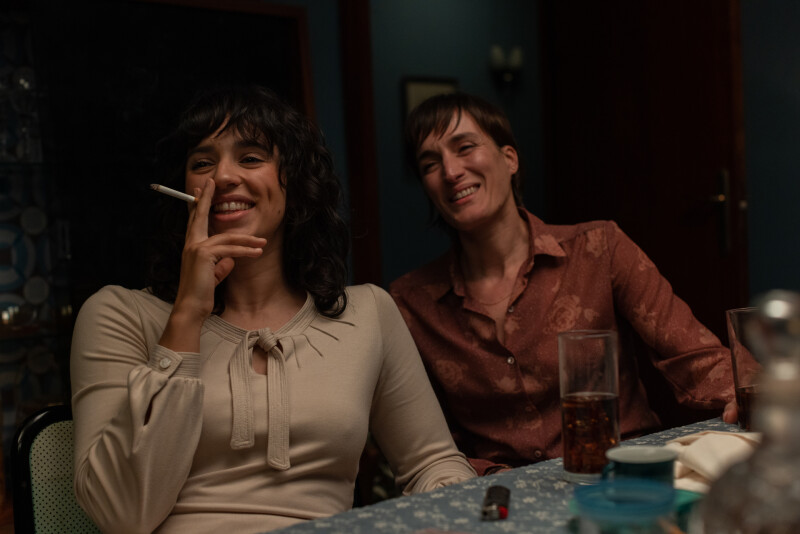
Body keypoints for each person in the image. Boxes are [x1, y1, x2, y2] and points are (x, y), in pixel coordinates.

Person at [70, 85, 475, 534]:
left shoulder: (370, 313)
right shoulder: (119, 315)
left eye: (250, 157)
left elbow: (432, 463)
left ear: (294, 181)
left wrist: (448, 512)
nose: (223, 176)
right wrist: (187, 314)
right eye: (202, 163)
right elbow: (121, 515)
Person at [389, 92, 739, 476]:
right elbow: (430, 446)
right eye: (430, 163)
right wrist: (491, 477)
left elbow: (696, 356)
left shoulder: (600, 248)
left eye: (465, 147)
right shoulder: (411, 304)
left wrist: (756, 396)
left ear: (509, 159)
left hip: (621, 476)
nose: (450, 171)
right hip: (502, 494)